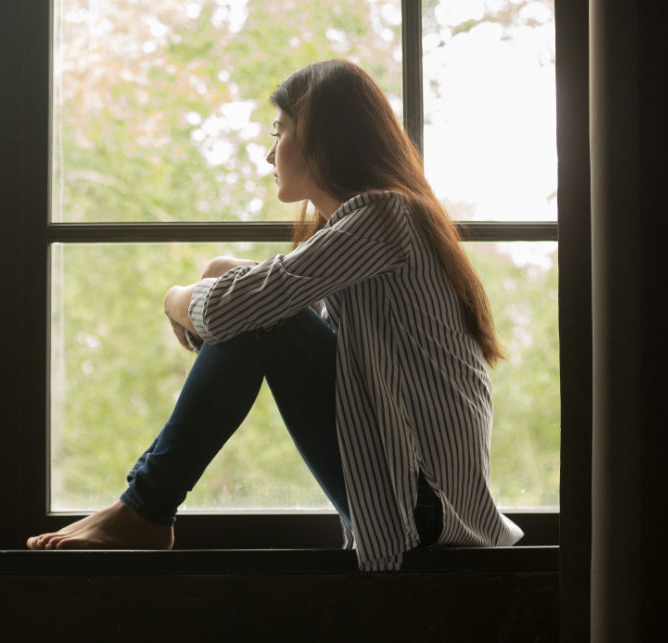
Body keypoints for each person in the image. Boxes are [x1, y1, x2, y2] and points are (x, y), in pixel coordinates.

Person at [27, 59, 524, 570]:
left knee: (261, 316)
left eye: (279, 132)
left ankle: (146, 509)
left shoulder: (383, 216)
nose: (269, 153)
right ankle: (142, 509)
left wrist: (176, 297)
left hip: (423, 511)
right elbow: (276, 303)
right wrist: (221, 273)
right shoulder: (383, 226)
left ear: (319, 136)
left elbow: (240, 311)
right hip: (416, 504)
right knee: (258, 309)